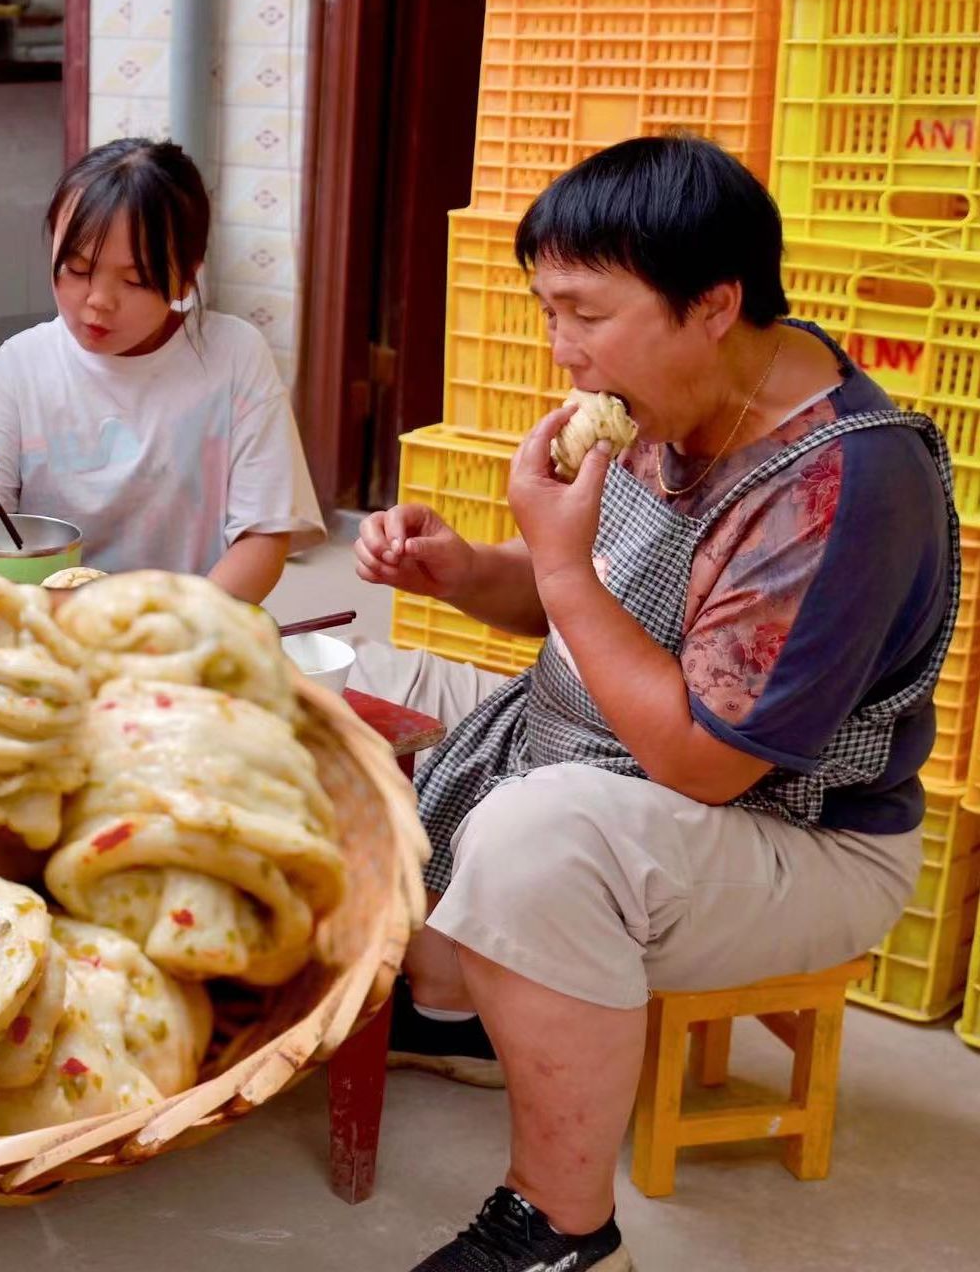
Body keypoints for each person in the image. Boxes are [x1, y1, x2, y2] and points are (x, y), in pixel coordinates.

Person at [354, 135, 954, 1272]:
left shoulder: (843, 482)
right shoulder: (681, 396)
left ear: (712, 302)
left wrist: (562, 564)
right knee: (333, 682)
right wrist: (466, 567)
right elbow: (569, 606)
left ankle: (560, 1231)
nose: (561, 353)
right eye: (545, 310)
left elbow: (704, 762)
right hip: (585, 732)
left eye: (584, 312)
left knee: (539, 839)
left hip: (787, 832)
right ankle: (455, 1005)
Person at [0, 138, 324, 604]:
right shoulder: (20, 366)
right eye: (77, 269)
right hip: (49, 630)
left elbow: (263, 536)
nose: (98, 301)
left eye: (134, 280)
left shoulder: (234, 355)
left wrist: (186, 627)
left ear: (186, 276)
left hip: (186, 629)